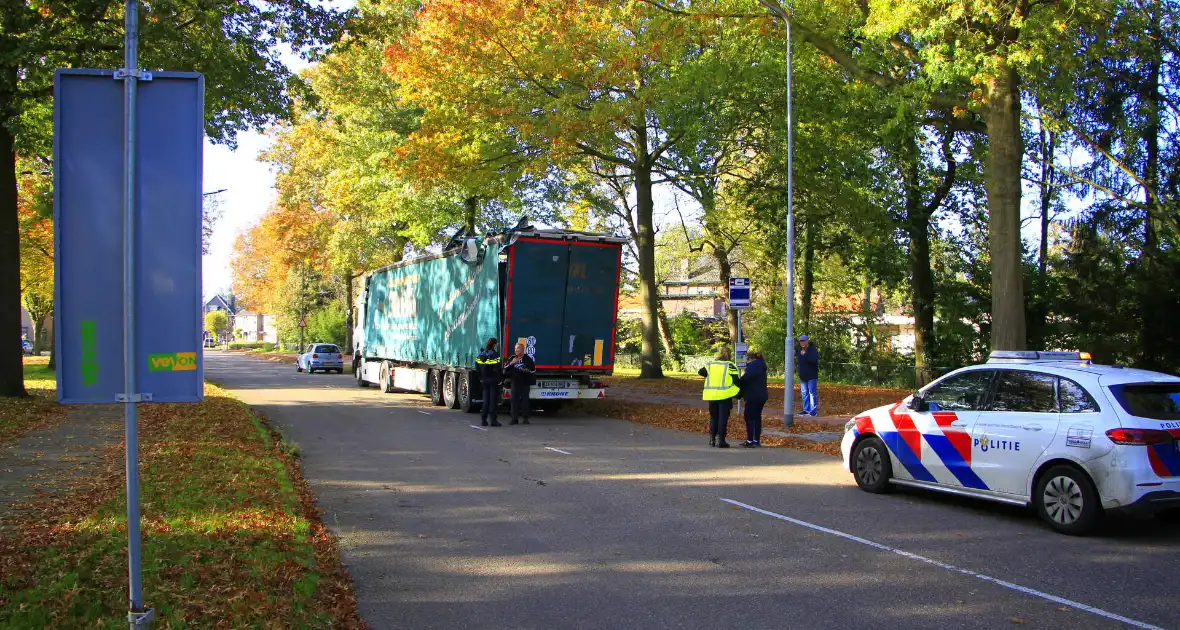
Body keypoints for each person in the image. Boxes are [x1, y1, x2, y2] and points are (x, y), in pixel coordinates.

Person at [698, 347, 740, 448]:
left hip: (712, 396)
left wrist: (711, 377)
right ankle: (721, 441)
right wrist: (738, 393)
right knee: (723, 418)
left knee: (713, 417)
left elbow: (700, 372)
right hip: (725, 396)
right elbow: (737, 381)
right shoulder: (730, 365)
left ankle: (712, 440)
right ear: (729, 355)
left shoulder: (711, 365)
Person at [739, 351, 769, 447]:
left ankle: (750, 441)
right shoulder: (761, 366)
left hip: (752, 395)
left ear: (749, 359)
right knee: (757, 417)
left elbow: (745, 380)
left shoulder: (751, 367)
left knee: (749, 417)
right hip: (762, 395)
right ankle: (756, 440)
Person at [503, 342, 536, 425]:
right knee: (514, 401)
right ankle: (514, 419)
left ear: (523, 349)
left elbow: (533, 370)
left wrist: (527, 371)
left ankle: (525, 418)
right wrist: (511, 363)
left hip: (525, 383)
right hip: (514, 382)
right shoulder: (512, 358)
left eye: (518, 348)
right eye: (515, 348)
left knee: (525, 401)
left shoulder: (527, 359)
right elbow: (505, 369)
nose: (516, 350)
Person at [475, 338, 503, 427]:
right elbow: (497, 368)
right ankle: (493, 420)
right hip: (493, 379)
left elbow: (477, 367)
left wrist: (480, 378)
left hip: (484, 380)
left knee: (486, 400)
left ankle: (483, 420)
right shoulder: (495, 354)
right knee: (493, 401)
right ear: (494, 344)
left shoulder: (480, 354)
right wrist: (500, 379)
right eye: (496, 344)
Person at [796, 334, 820, 416]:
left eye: (803, 341)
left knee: (812, 393)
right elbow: (799, 362)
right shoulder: (799, 350)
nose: (802, 343)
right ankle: (806, 410)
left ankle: (813, 411)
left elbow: (814, 360)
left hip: (811, 375)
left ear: (807, 341)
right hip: (803, 376)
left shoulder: (812, 350)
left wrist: (805, 355)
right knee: (804, 393)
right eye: (800, 341)